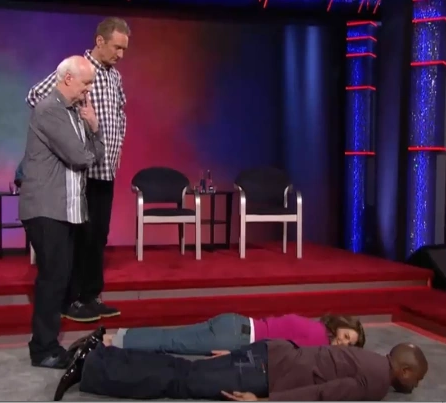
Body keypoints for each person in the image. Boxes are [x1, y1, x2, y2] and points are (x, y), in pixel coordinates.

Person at [24, 17, 130, 321]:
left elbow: (120, 113)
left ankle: (91, 296)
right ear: (100, 41)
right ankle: (71, 299)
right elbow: (36, 96)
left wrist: (116, 145)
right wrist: (70, 122)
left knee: (98, 237)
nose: (121, 54)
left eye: (124, 49)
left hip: (105, 170)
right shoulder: (77, 69)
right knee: (80, 238)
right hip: (81, 173)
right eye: (117, 47)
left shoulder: (114, 77)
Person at [19, 55, 105, 369]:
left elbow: (92, 156)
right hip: (46, 208)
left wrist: (93, 130)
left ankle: (47, 344)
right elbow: (80, 157)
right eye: (86, 83)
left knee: (61, 276)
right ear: (68, 79)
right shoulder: (49, 110)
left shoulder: (74, 112)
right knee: (53, 277)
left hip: (66, 209)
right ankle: (43, 349)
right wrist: (92, 136)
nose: (88, 89)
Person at [54, 332, 428, 401]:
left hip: (269, 354)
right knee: (180, 380)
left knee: (181, 370)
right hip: (264, 372)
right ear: (405, 371)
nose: (416, 386)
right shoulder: (377, 381)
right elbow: (324, 395)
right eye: (418, 379)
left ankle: (99, 356)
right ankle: (93, 366)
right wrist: (264, 402)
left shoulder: (370, 359)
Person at [103, 313, 366, 355]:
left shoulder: (315, 326)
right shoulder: (319, 339)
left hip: (234, 321)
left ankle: (118, 336)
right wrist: (235, 355)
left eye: (349, 344)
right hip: (238, 338)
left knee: (171, 336)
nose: (343, 343)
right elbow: (276, 348)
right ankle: (112, 341)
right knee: (171, 342)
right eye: (347, 336)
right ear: (341, 325)